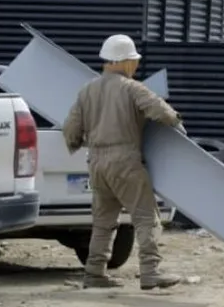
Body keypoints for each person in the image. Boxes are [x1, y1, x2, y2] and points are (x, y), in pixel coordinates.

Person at [62, 34, 184, 290]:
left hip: (96, 162)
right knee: (146, 218)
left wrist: (79, 144)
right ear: (126, 62)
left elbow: (71, 129)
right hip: (125, 161)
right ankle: (150, 273)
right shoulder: (132, 88)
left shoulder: (87, 90)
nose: (136, 66)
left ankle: (94, 273)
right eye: (134, 61)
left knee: (104, 221)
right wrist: (176, 123)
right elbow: (162, 112)